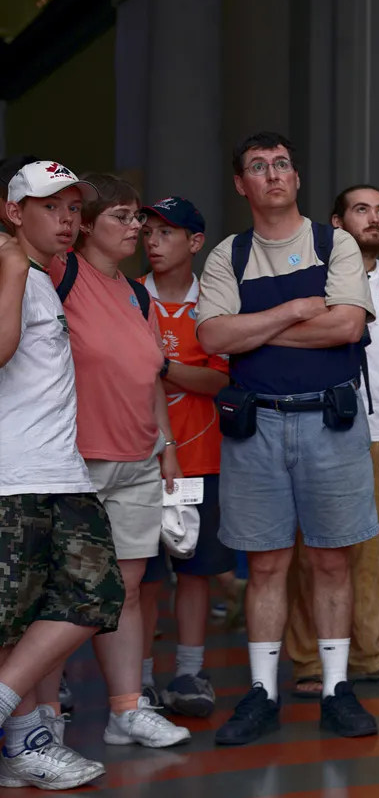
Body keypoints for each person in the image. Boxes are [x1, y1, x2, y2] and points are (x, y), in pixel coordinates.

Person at [194, 132, 379, 745]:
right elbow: (214, 341)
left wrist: (254, 330)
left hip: (331, 420)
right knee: (266, 563)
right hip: (257, 424)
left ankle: (334, 689)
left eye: (281, 165)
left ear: (296, 179)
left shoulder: (336, 243)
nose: (272, 174)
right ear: (242, 185)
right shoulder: (229, 254)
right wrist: (297, 311)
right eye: (257, 167)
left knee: (331, 559)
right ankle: (262, 693)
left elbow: (348, 324)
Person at [0, 160, 124, 791]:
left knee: (86, 597)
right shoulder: (9, 266)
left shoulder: (40, 275)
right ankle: (22, 743)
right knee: (35, 612)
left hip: (56, 470)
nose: (69, 219)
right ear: (13, 211)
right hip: (15, 474)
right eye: (52, 207)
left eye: (75, 208)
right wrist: (14, 267)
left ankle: (17, 733)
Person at [54, 174, 189, 749]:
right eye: (124, 217)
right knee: (64, 592)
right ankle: (43, 714)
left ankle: (125, 709)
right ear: (86, 224)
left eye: (139, 219)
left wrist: (167, 446)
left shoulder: (137, 294)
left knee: (128, 591)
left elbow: (150, 377)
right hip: (77, 460)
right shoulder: (59, 275)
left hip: (138, 458)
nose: (137, 228)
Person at [281, 185, 379, 698]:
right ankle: (311, 660)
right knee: (318, 552)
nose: (375, 219)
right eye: (362, 210)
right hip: (327, 432)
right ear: (337, 222)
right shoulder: (312, 280)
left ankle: (371, 653)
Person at [138, 197, 235, 717]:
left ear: (195, 243)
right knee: (145, 577)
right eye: (147, 231)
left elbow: (218, 379)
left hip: (203, 458)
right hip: (139, 462)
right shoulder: (130, 297)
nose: (152, 241)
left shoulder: (214, 302)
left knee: (196, 572)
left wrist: (161, 365)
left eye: (166, 233)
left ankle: (190, 673)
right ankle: (142, 679)